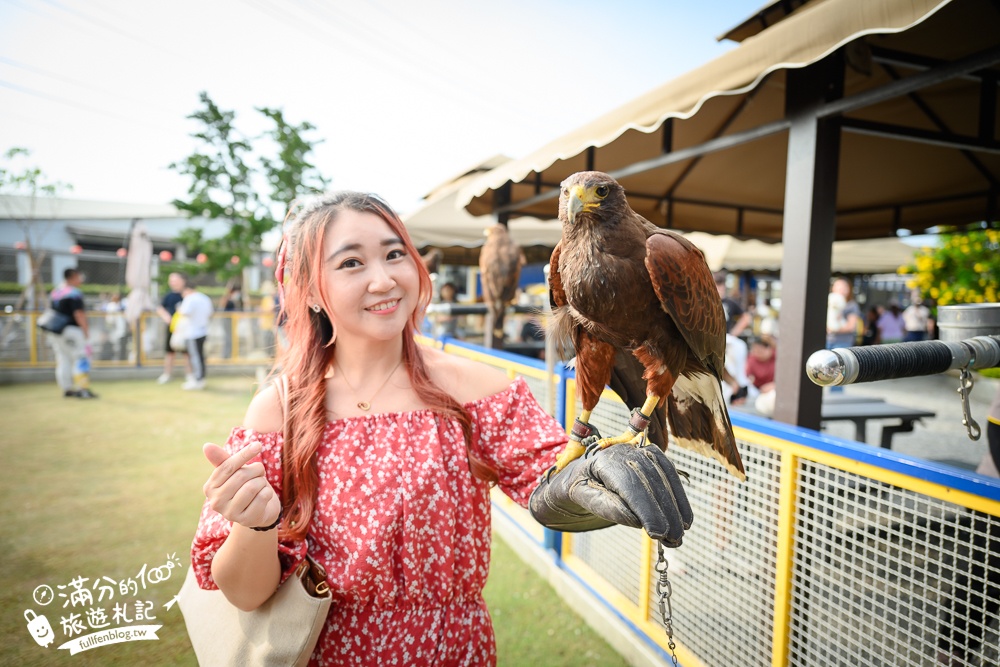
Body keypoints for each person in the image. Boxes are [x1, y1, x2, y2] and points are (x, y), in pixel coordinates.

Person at [190, 191, 692, 666]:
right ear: (309, 292)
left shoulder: (477, 388)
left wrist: (594, 475)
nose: (384, 279)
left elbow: (550, 481)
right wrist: (253, 523)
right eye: (350, 263)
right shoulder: (279, 411)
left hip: (454, 649)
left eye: (394, 254)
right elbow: (244, 592)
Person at [46, 268, 97, 398]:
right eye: (79, 277)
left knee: (63, 359)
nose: (81, 279)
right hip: (72, 330)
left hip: (56, 331)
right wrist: (86, 330)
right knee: (80, 357)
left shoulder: (55, 291)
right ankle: (82, 389)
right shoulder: (74, 293)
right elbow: (78, 313)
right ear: (73, 277)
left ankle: (67, 388)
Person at [156, 272, 192, 384]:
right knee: (170, 352)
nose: (173, 283)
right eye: (171, 281)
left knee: (187, 353)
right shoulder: (169, 296)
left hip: (186, 329)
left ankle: (190, 375)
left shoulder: (188, 294)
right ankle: (167, 374)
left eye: (175, 280)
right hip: (172, 328)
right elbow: (160, 308)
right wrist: (167, 317)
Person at [177, 281, 213, 390]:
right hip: (203, 331)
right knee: (200, 356)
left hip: (192, 332)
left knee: (195, 357)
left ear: (187, 289)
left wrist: (179, 308)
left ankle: (197, 380)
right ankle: (200, 378)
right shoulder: (205, 298)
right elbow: (210, 313)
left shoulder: (190, 299)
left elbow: (184, 312)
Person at [825, 277, 862, 349]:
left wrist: (833, 329)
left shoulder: (852, 305)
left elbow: (851, 326)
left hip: (842, 342)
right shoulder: (830, 300)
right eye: (838, 286)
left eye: (844, 287)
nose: (841, 289)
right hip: (827, 340)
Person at [714, 271, 751, 339]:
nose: (719, 289)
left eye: (720, 285)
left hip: (725, 338)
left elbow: (746, 318)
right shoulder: (709, 302)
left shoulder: (730, 302)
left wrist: (732, 334)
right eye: (717, 285)